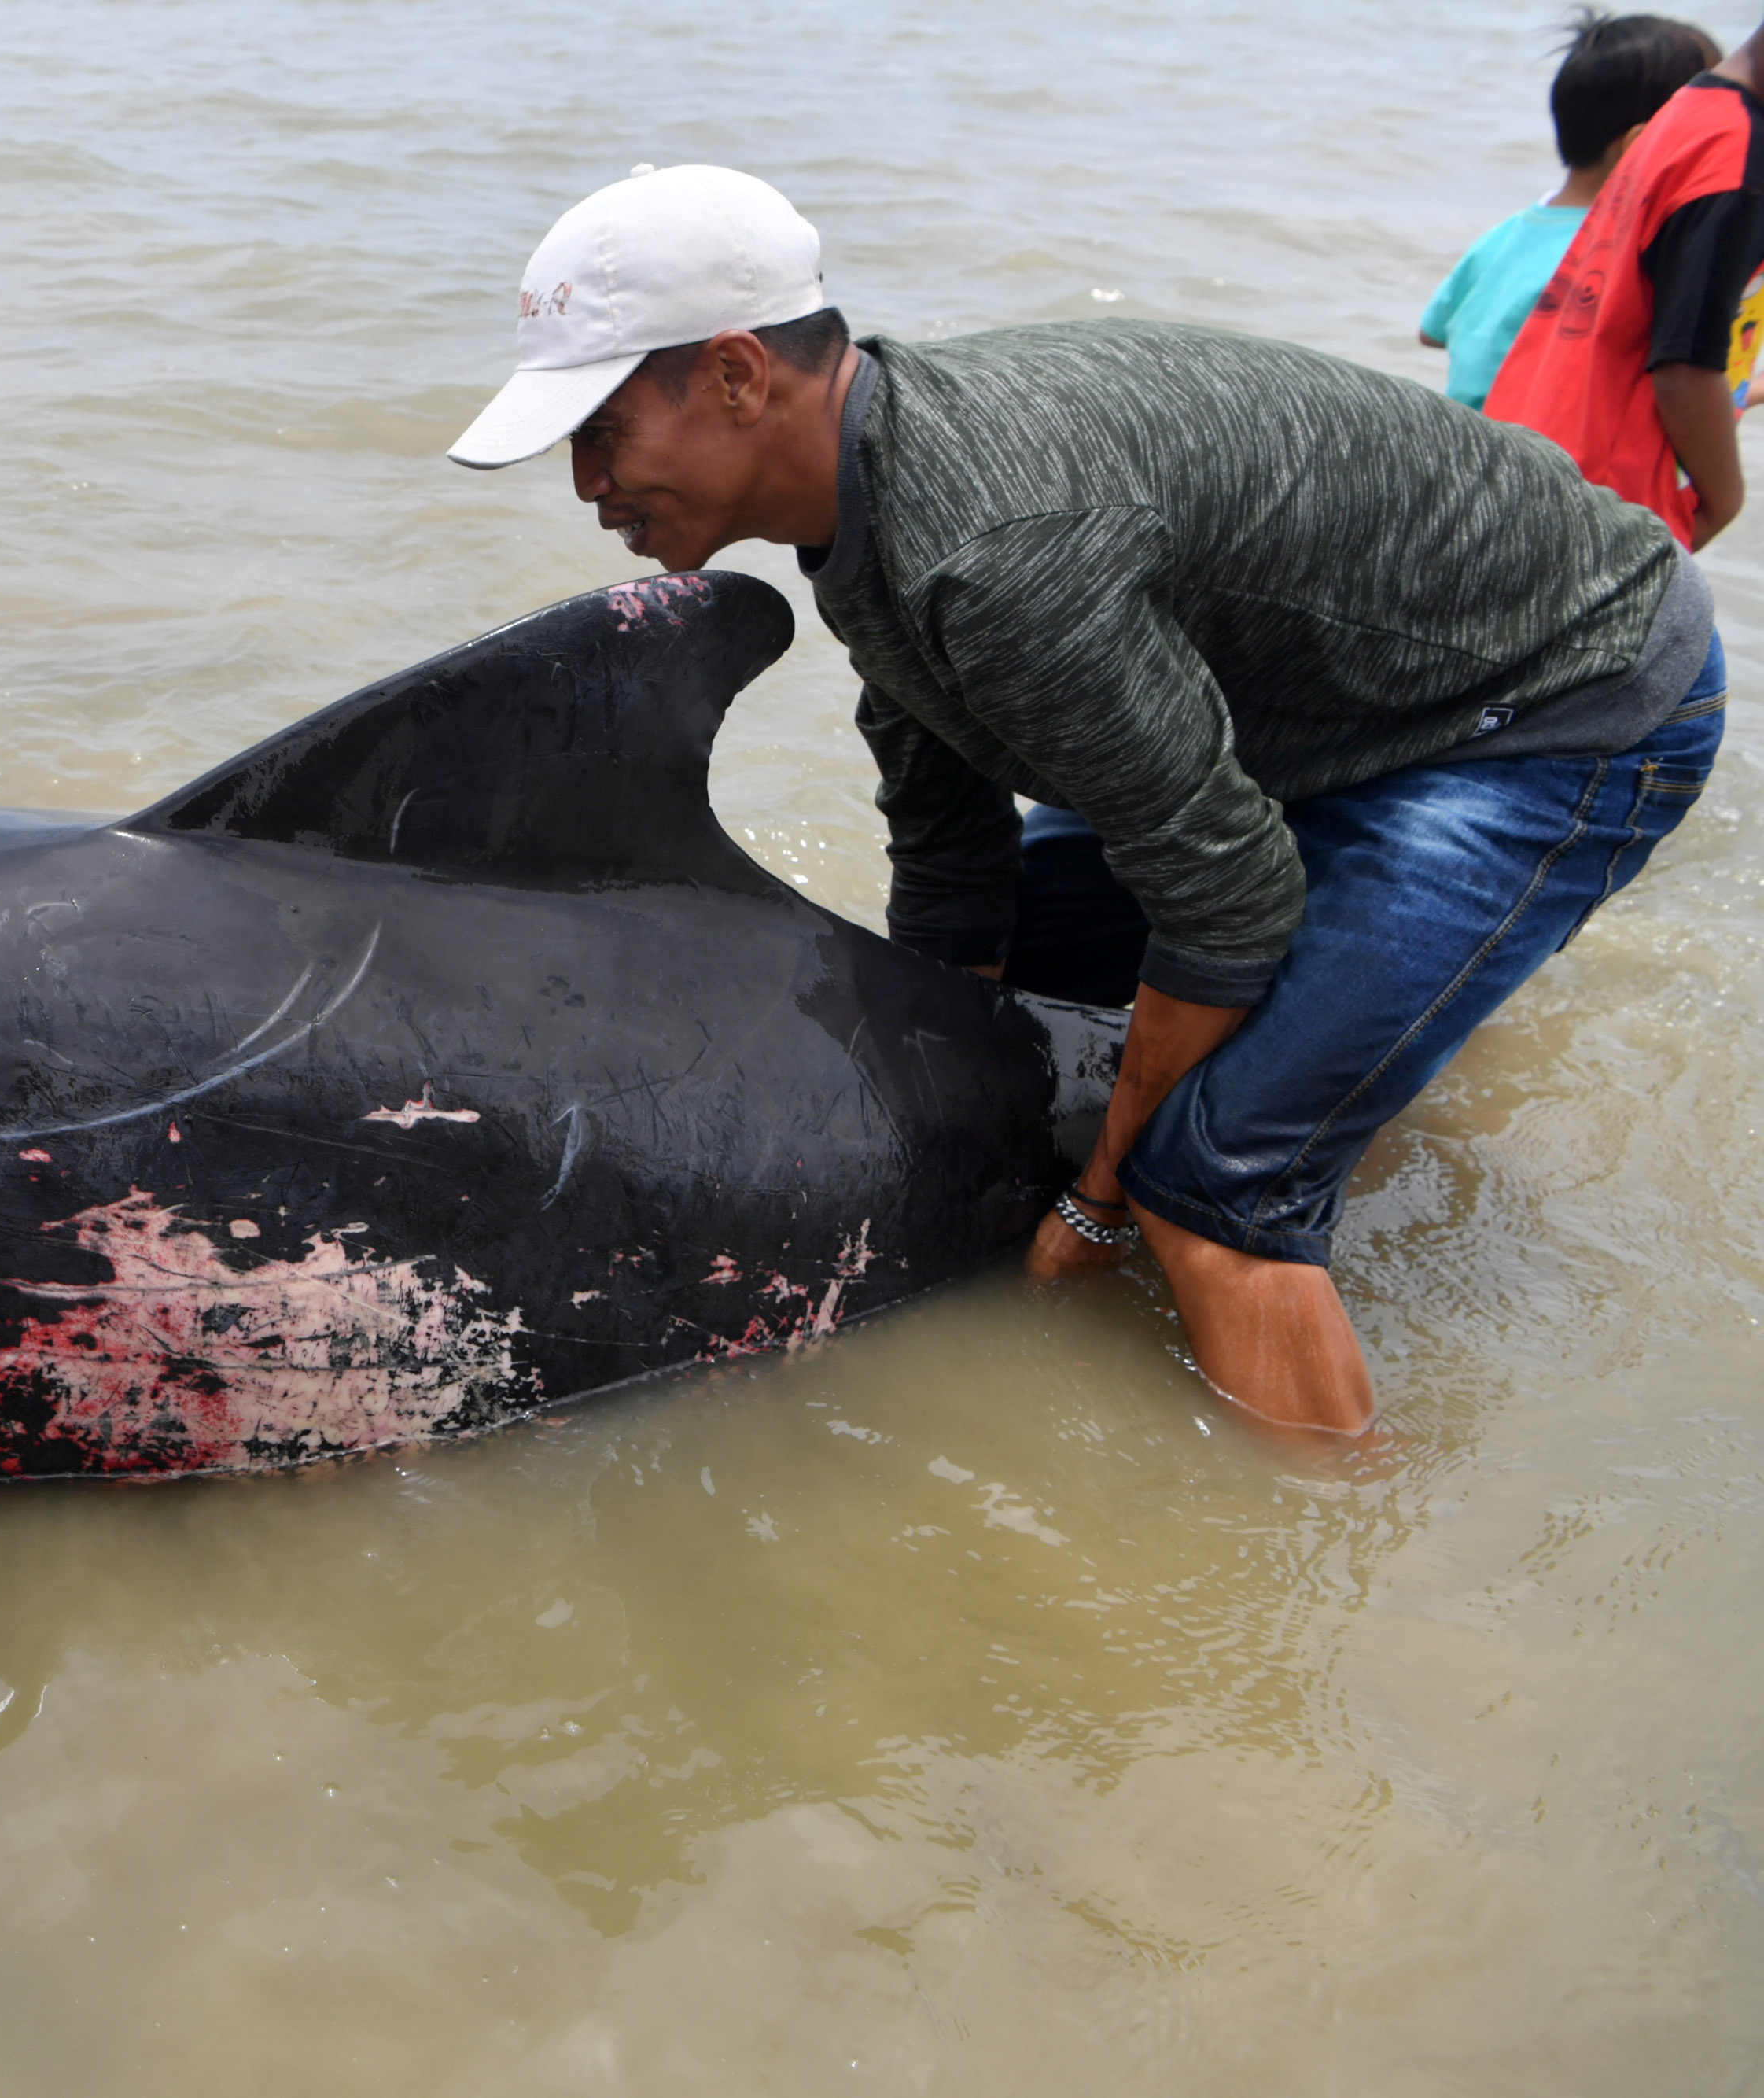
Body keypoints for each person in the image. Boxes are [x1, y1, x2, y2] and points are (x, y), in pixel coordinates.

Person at [447, 167, 1725, 1436]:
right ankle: (1358, 1052)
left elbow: (1228, 899)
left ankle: (1340, 1565)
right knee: (1036, 995)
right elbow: (952, 865)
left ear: (737, 374)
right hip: (1336, 702)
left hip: (1555, 696)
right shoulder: (870, 510)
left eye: (600, 433)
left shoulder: (995, 552)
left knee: (1218, 1186)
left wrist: (1105, 1200)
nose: (586, 486)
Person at [1488, 14, 1764, 543]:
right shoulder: (1736, 161)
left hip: (1534, 467)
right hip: (1609, 514)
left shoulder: (1691, 108)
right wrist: (1726, 499)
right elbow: (1685, 367)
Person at [1423, 11, 1716, 410]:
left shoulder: (1508, 232)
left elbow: (1434, 332)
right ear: (1642, 144)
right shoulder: (1628, 259)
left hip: (1460, 449)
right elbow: (1674, 391)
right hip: (1545, 463)